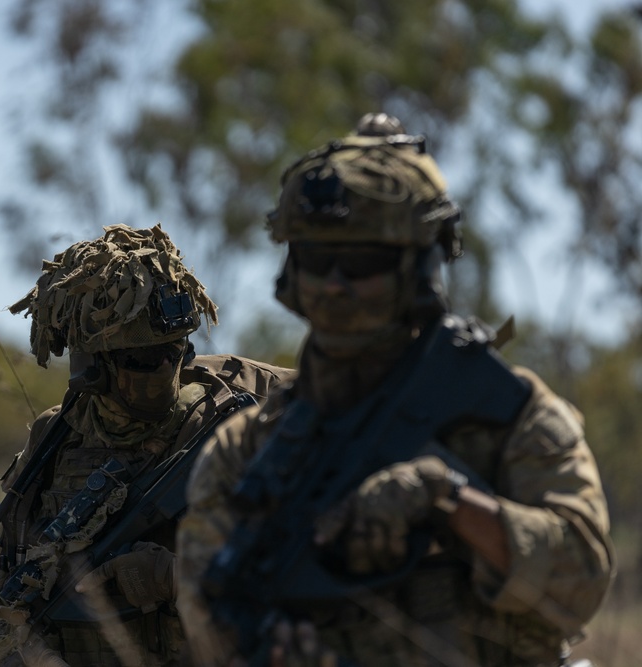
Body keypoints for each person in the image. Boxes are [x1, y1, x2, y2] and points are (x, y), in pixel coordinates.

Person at [175, 116, 614, 666]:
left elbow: (581, 584)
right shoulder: (248, 451)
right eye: (316, 261)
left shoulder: (509, 415)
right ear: (291, 275)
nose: (335, 284)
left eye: (362, 264)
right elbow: (204, 614)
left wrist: (444, 495)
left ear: (417, 268)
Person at [0, 224, 293, 667]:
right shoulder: (54, 441)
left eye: (174, 350)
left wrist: (174, 577)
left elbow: (309, 566)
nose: (164, 367)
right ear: (93, 367)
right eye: (141, 360)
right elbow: (10, 588)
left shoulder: (234, 415)